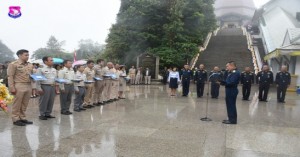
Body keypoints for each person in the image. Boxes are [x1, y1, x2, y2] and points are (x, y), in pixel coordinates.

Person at [7, 49, 33, 126]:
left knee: (25, 103)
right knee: (17, 104)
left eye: (28, 55)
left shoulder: (29, 65)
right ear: (20, 55)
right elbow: (10, 76)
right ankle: (15, 119)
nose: (28, 56)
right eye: (26, 55)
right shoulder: (13, 64)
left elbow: (31, 76)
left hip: (28, 85)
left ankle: (22, 118)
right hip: (19, 85)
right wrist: (12, 88)